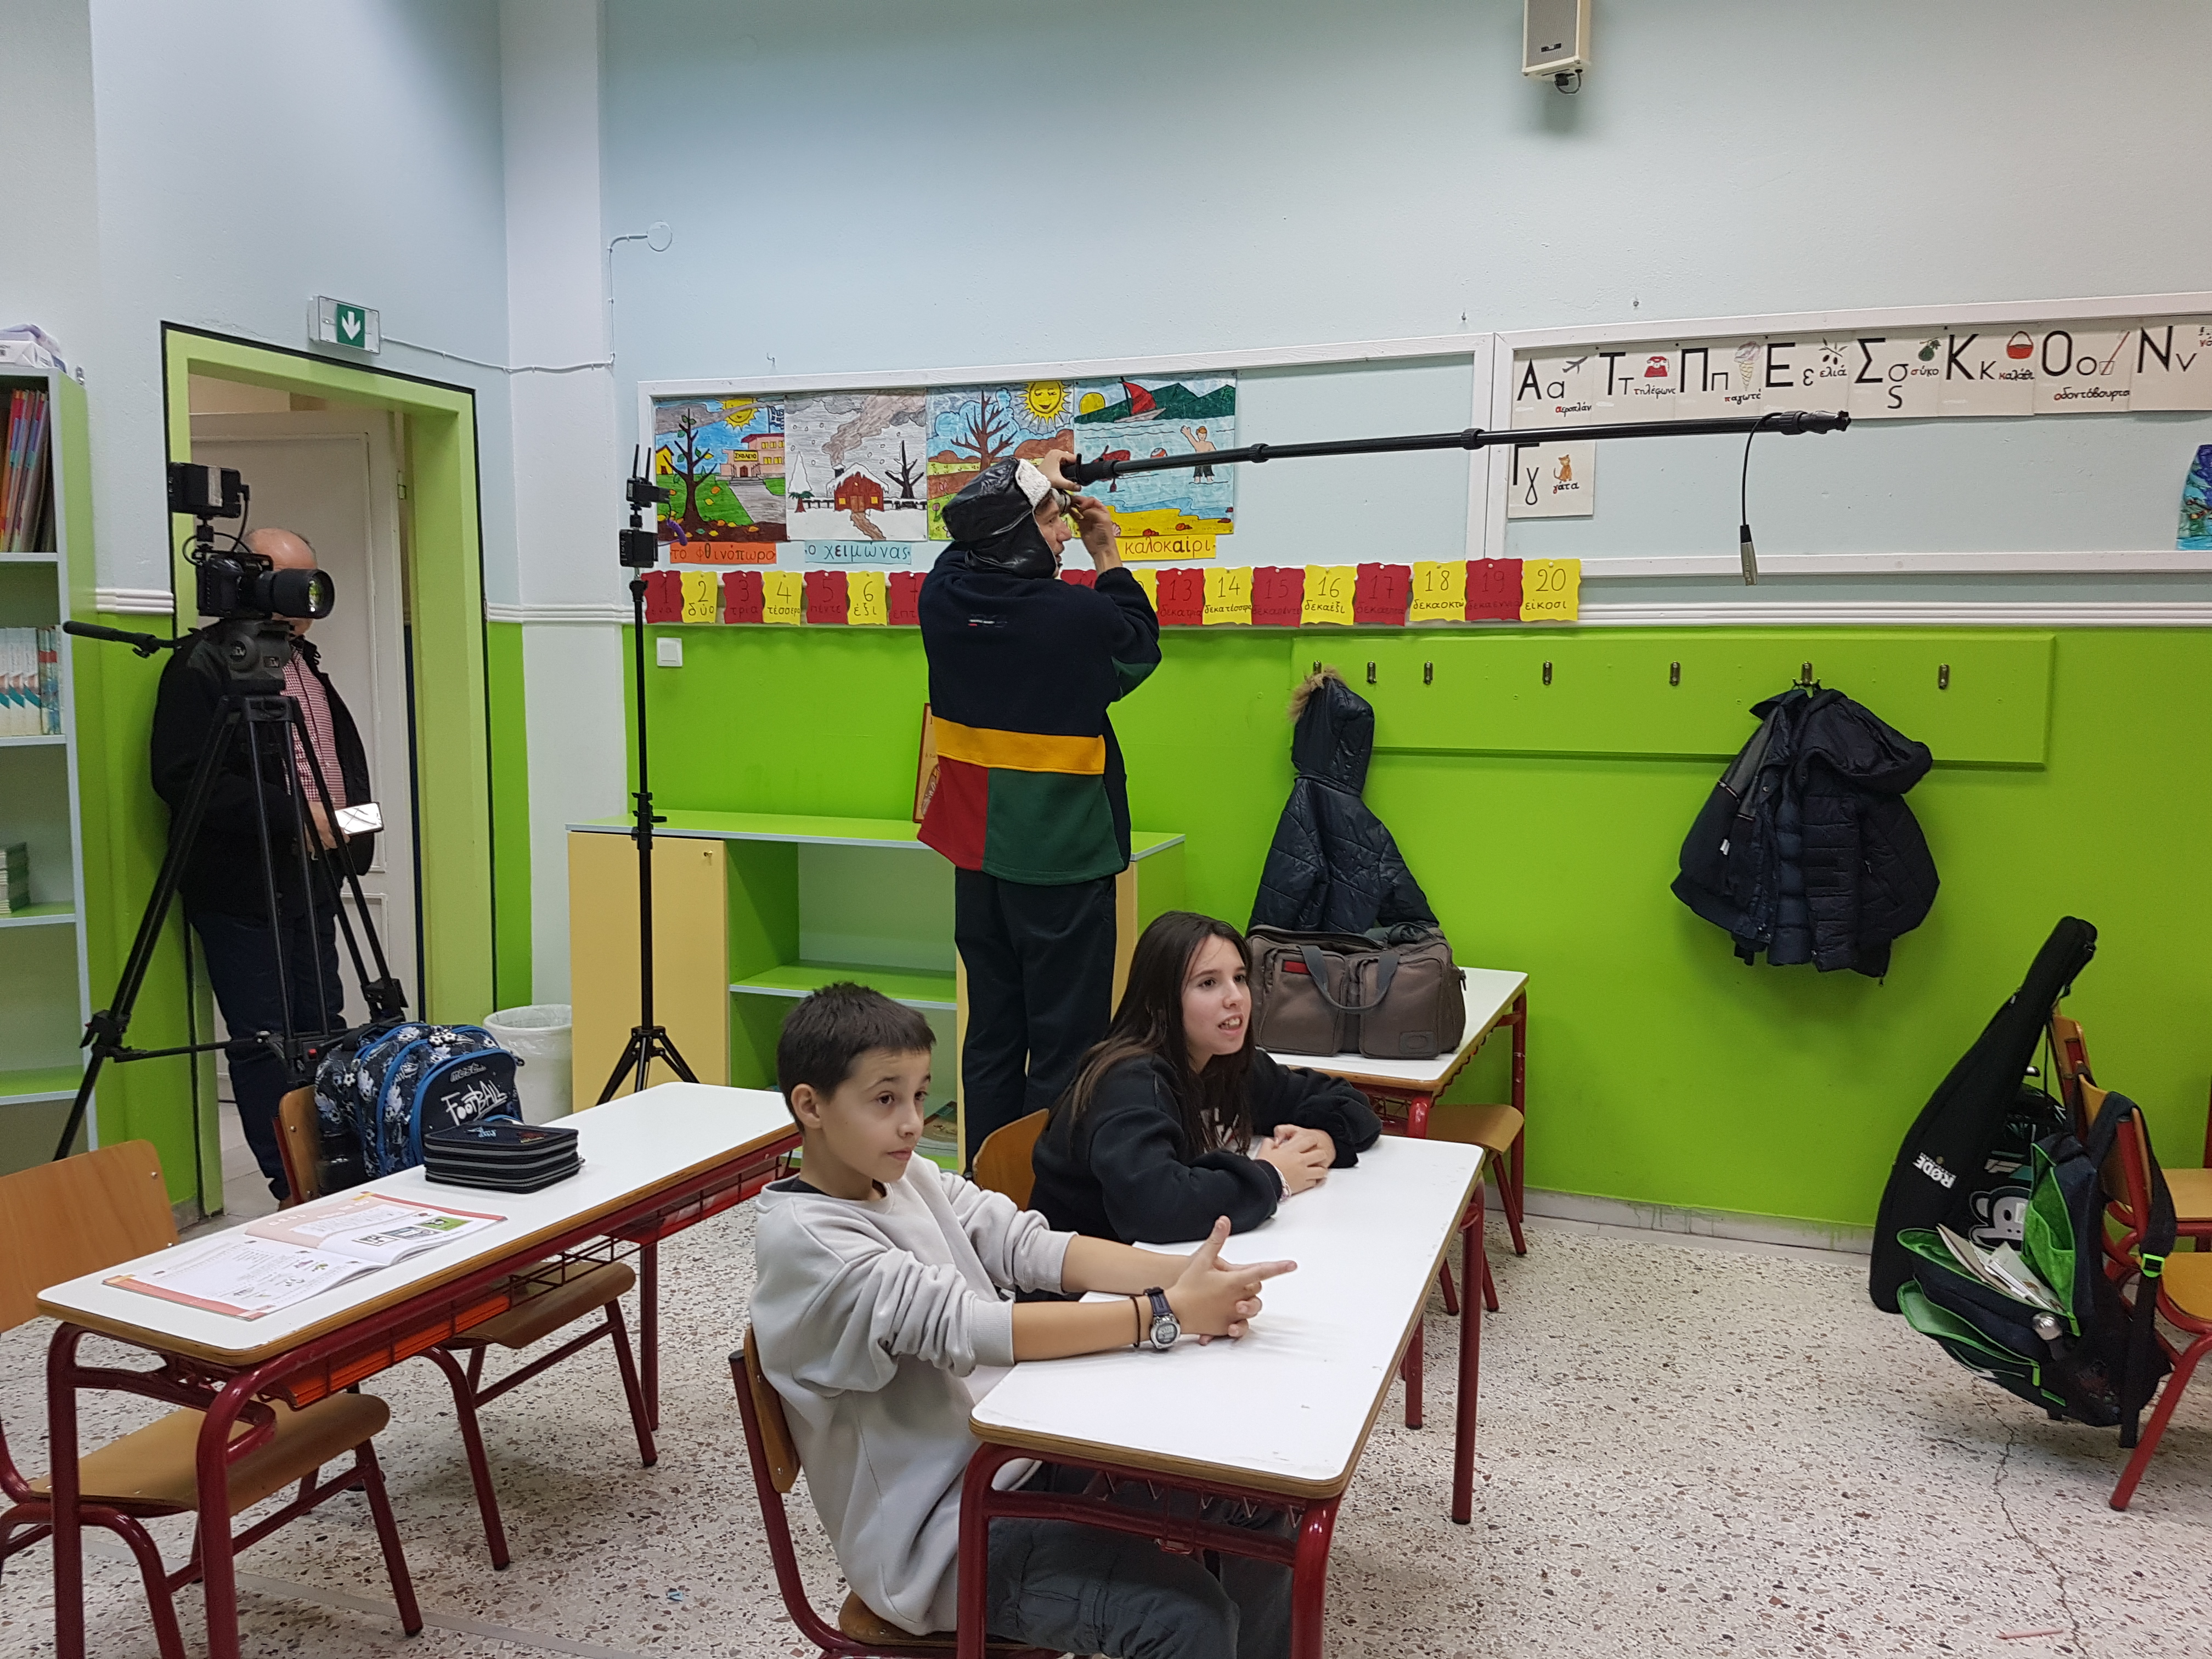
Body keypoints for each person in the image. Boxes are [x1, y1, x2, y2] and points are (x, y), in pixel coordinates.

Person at [749, 982, 1296, 1655]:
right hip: (943, 1544)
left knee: (1258, 1496)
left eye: (920, 1095)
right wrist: (1163, 1313)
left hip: (1015, 1460)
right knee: (1186, 1620)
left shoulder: (906, 1175)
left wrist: (1186, 1280)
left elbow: (1030, 1246)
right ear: (811, 1106)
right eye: (885, 1099)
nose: (913, 1122)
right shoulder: (813, 1244)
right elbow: (974, 1327)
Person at [917, 453, 1161, 1166]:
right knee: (1066, 1044)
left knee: (992, 1034)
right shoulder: (1076, 616)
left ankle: (988, 1185)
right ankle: (1045, 1198)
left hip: (979, 859)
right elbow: (1140, 646)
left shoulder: (942, 599)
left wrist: (1025, 471)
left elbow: (962, 536)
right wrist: (1107, 552)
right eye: (1050, 519)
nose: (1061, 533)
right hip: (1062, 861)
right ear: (1017, 537)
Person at [151, 527, 373, 1200]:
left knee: (326, 1025)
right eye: (285, 579)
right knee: (266, 1040)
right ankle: (291, 1182)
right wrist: (295, 818)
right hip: (243, 889)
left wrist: (355, 834)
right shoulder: (205, 663)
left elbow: (340, 769)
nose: (300, 598)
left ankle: (338, 1164)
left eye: (308, 579)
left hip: (315, 880)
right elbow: (185, 779)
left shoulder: (305, 665)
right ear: (245, 579)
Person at [1030, 911, 1382, 1245]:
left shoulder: (1224, 1063)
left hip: (1170, 1269)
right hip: (1087, 1295)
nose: (1235, 998)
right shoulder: (1130, 1083)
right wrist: (1273, 1177)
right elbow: (1155, 1208)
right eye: (1208, 983)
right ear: (1160, 1003)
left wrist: (1325, 1139)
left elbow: (1349, 1102)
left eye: (1240, 978)